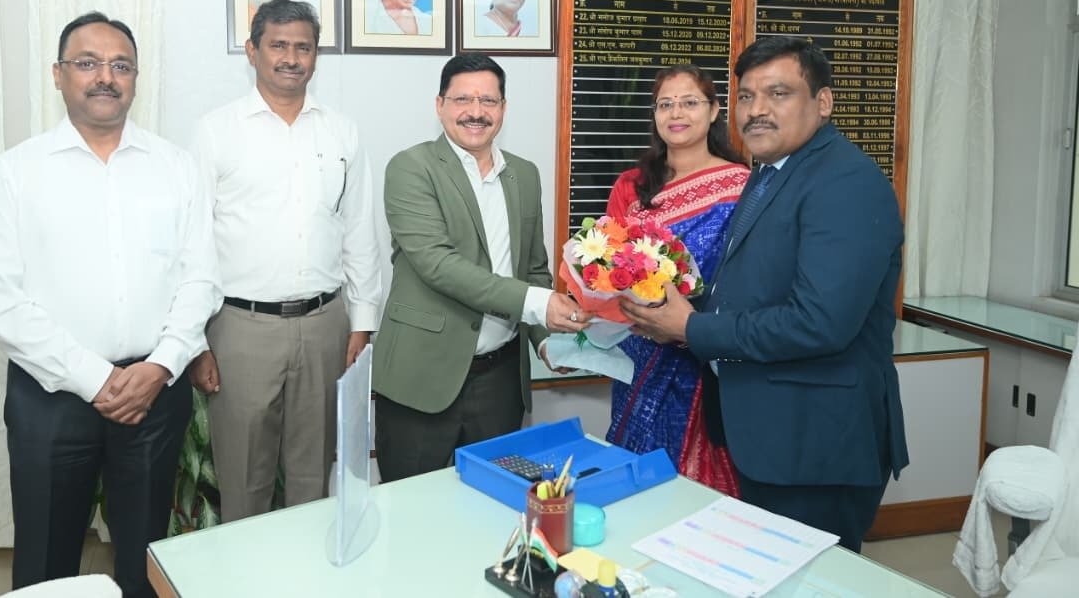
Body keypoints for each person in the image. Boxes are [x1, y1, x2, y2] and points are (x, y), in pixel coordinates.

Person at [623, 37, 908, 552]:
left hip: (814, 446)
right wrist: (671, 313)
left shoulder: (844, 182)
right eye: (747, 96)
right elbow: (748, 290)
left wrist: (691, 327)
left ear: (823, 102)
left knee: (808, 580)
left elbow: (819, 323)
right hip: (767, 436)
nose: (757, 110)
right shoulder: (770, 175)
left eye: (778, 94)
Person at [0, 12, 219, 598]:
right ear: (58, 75)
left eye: (120, 65)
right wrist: (97, 379)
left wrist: (160, 366)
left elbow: (201, 279)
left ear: (136, 78)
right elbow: (1, 303)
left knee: (144, 556)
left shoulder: (176, 167)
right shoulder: (14, 173)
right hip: (51, 396)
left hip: (154, 391)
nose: (105, 76)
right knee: (47, 556)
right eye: (87, 63)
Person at [188, 0, 382, 521]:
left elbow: (359, 231)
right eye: (278, 45)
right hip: (241, 328)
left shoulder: (341, 131)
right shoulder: (216, 131)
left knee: (313, 477)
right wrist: (196, 342)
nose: (291, 58)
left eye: (304, 47)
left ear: (316, 56)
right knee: (244, 481)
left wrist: (362, 323)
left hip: (325, 325)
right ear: (252, 51)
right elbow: (193, 242)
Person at [372, 53, 590, 481]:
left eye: (488, 100)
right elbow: (438, 264)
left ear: (503, 108)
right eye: (462, 100)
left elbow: (534, 269)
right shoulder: (411, 167)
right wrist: (539, 304)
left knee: (496, 500)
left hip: (500, 381)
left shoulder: (524, 174)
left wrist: (546, 342)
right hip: (422, 378)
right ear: (440, 105)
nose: (476, 111)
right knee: (409, 505)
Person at [604, 64, 748, 495]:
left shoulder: (741, 186)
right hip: (637, 354)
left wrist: (688, 324)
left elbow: (750, 276)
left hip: (705, 357)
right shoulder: (632, 186)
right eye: (665, 104)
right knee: (636, 486)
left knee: (699, 487)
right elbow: (608, 269)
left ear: (714, 110)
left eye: (689, 102)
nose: (676, 113)